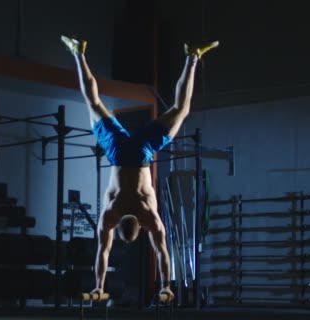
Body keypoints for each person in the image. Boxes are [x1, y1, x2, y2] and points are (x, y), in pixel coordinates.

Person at [61, 35, 218, 302]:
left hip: (142, 154)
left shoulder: (147, 217)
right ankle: (79, 53)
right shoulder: (113, 215)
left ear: (139, 227)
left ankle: (192, 58)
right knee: (94, 103)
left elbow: (160, 254)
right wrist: (100, 284)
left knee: (181, 109)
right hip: (119, 154)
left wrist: (166, 285)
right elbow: (104, 253)